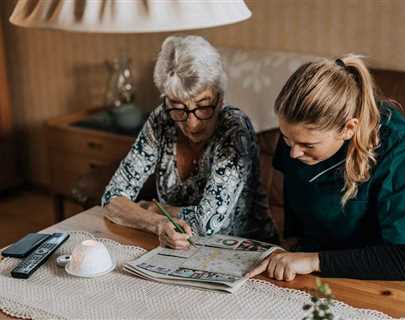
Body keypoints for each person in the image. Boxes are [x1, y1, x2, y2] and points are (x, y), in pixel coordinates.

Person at [247, 55, 405, 286]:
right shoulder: (298, 139)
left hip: (394, 280)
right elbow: (300, 226)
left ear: (349, 129)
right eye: (287, 139)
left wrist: (313, 261)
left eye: (308, 146)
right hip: (320, 269)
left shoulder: (403, 151)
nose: (293, 154)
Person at [102, 35, 275, 249]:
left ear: (220, 98)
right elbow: (112, 199)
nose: (191, 123)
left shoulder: (234, 127)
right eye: (178, 107)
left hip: (243, 251)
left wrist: (154, 207)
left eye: (203, 105)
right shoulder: (162, 119)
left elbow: (207, 223)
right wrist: (157, 222)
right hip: (180, 249)